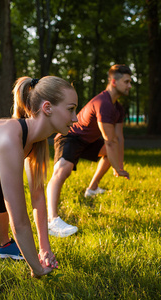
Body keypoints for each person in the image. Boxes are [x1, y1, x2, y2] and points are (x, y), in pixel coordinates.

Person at [0, 76, 78, 277]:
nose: (75, 118)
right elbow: (20, 219)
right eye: (70, 109)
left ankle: (3, 246)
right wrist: (37, 268)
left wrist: (44, 249)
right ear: (47, 107)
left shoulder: (34, 141)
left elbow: (38, 198)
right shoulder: (10, 139)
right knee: (9, 193)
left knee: (3, 186)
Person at [47, 64, 132, 238]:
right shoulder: (104, 103)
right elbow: (109, 141)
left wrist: (119, 164)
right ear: (114, 82)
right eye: (127, 81)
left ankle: (92, 189)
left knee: (110, 154)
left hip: (89, 141)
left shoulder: (118, 108)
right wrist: (117, 168)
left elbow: (118, 139)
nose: (129, 86)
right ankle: (52, 220)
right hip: (71, 136)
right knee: (63, 170)